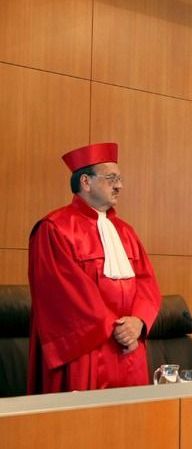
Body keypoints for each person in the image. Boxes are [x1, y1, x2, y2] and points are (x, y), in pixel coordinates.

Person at [28, 142, 161, 393]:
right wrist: (117, 329)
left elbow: (147, 282)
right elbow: (65, 295)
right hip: (88, 348)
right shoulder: (54, 228)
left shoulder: (126, 231)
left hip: (130, 348)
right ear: (86, 182)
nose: (119, 186)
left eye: (120, 179)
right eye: (111, 178)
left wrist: (139, 321)